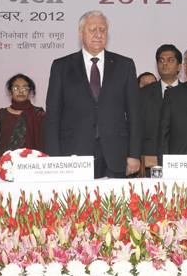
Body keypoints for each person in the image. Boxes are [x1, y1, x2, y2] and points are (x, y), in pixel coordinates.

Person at [44, 10, 143, 178]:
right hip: (74, 153)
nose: (98, 34)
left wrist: (134, 154)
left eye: (102, 30)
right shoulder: (61, 66)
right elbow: (53, 116)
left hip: (115, 154)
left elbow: (135, 114)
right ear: (81, 32)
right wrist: (54, 158)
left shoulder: (125, 65)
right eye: (92, 29)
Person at [140, 44, 183, 161]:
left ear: (179, 66)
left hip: (181, 158)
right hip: (149, 157)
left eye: (170, 60)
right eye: (161, 60)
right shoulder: (143, 93)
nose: (164, 63)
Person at [0, 74, 45, 157]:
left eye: (25, 88)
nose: (21, 91)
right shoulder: (0, 114)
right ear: (10, 91)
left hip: (32, 165)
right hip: (5, 165)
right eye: (16, 88)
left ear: (29, 91)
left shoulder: (39, 114)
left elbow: (44, 142)